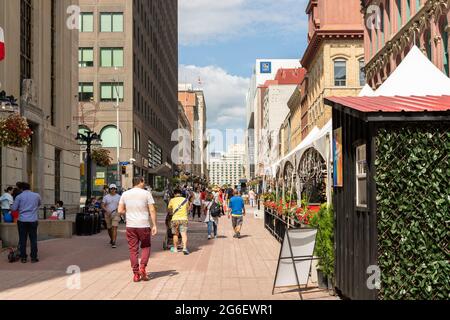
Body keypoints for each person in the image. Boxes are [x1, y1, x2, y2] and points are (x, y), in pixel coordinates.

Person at [118, 177, 157, 283]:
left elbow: (120, 210)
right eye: (143, 181)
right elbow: (152, 209)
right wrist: (154, 225)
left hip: (130, 225)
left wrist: (129, 210)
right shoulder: (146, 193)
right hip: (143, 225)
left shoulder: (125, 194)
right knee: (146, 246)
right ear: (140, 182)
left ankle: (136, 274)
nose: (144, 183)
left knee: (133, 250)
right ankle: (142, 267)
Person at [11, 183, 41, 263]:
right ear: (29, 188)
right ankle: (34, 258)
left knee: (22, 239)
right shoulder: (36, 195)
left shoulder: (19, 196)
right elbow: (39, 204)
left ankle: (23, 258)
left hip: (22, 220)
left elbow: (14, 208)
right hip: (33, 220)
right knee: (33, 239)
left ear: (21, 189)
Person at [167, 188, 190, 255]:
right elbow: (188, 209)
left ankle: (175, 248)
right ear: (181, 194)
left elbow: (169, 210)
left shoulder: (172, 200)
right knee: (184, 234)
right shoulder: (185, 200)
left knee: (175, 234)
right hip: (184, 219)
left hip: (175, 219)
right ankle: (185, 248)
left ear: (174, 194)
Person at [102, 184, 122, 249]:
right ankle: (111, 238)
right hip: (108, 214)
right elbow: (102, 205)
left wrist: (118, 209)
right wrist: (106, 210)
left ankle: (114, 242)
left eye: (114, 189)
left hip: (116, 214)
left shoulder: (119, 197)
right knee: (109, 228)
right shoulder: (106, 197)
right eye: (111, 189)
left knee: (114, 227)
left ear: (116, 189)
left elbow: (121, 205)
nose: (113, 190)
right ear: (109, 189)